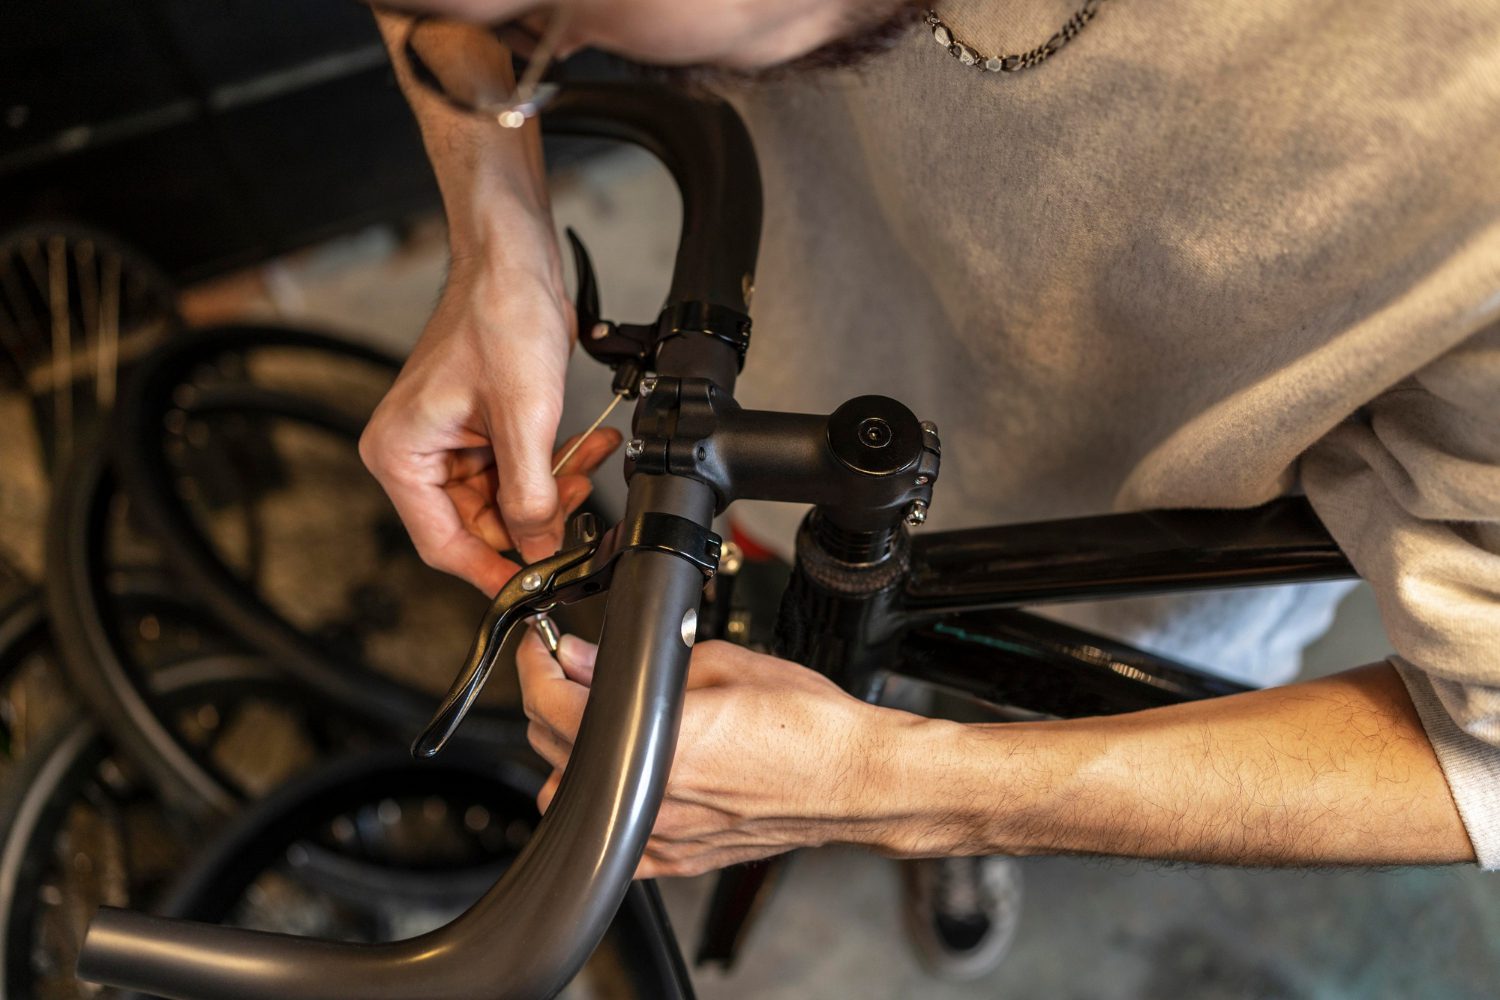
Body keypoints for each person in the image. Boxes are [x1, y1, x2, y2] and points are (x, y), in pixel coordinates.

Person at [361, 0, 1500, 979]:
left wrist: (909, 793)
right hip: (805, 365)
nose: (532, 62)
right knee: (783, 622)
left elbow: (1485, 750)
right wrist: (497, 231)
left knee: (1025, 720)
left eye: (547, 26)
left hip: (1137, 558)